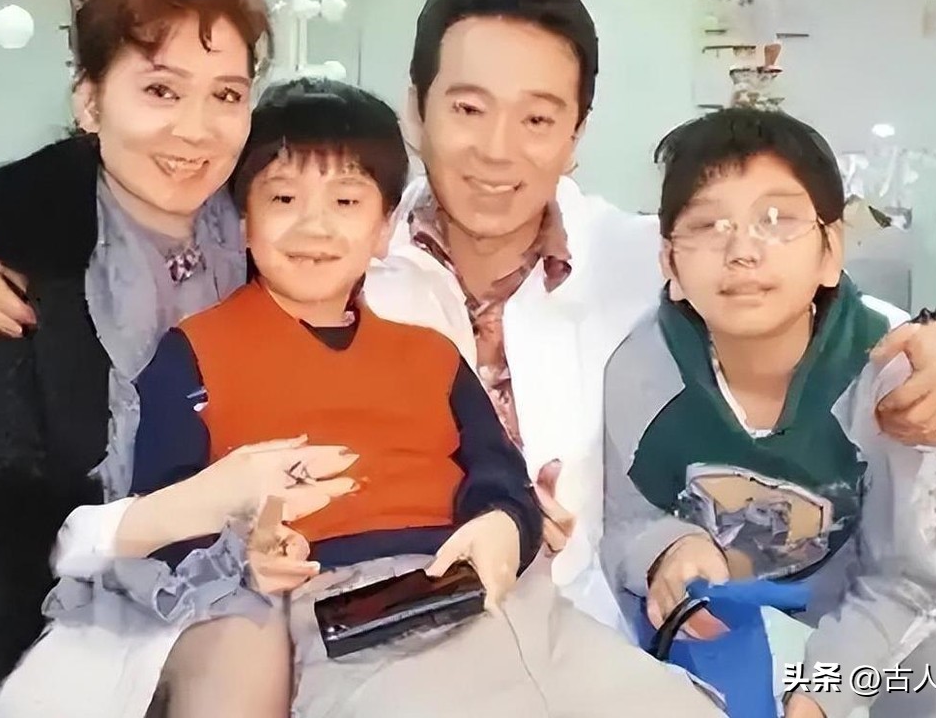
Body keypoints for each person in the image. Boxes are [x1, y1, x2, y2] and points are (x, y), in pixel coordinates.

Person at [0, 0, 936, 631]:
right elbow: (166, 190)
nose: (497, 150)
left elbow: (786, 292)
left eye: (538, 118)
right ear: (417, 108)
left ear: (577, 133)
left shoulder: (638, 257)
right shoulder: (335, 251)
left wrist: (935, 337)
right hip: (361, 628)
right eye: (469, 108)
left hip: (596, 625)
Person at [128, 75, 726, 717]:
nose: (314, 225)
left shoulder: (430, 355)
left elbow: (499, 475)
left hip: (506, 598)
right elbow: (158, 516)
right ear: (243, 222)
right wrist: (239, 558)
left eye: (346, 201)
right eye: (283, 198)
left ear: (384, 229)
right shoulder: (195, 353)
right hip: (352, 623)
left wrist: (503, 525)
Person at [0, 0, 355, 718]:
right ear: (91, 101)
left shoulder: (272, 235)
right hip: (67, 611)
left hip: (266, 571)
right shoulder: (25, 266)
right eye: (161, 89)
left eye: (226, 95)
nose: (196, 130)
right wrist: (194, 506)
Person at [599, 108, 936, 718]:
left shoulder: (891, 371)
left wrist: (824, 691)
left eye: (777, 220)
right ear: (670, 265)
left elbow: (908, 576)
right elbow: (623, 523)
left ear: (830, 252)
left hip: (850, 588)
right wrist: (665, 548)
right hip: (711, 598)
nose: (742, 250)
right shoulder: (640, 371)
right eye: (709, 225)